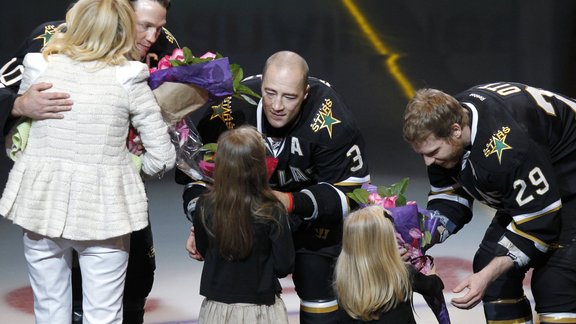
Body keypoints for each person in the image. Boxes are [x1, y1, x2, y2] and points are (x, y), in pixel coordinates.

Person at [0, 1, 178, 322]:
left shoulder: (38, 64)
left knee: (56, 309)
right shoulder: (124, 71)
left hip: (50, 205)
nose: (154, 36)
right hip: (106, 205)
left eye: (159, 26)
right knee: (104, 314)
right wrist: (19, 105)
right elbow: (162, 157)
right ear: (123, 18)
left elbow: (17, 142)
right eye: (144, 24)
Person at [180, 50, 371, 323]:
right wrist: (205, 221)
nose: (277, 105)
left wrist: (289, 202)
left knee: (318, 286)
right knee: (233, 291)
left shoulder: (333, 119)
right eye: (270, 93)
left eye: (289, 97)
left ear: (305, 93)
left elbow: (353, 193)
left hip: (311, 222)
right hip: (247, 221)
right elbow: (196, 176)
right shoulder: (230, 110)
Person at [403, 82, 576, 323]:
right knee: (492, 269)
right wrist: (416, 238)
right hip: (539, 179)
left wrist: (487, 275)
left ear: (455, 130)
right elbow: (451, 201)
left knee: (556, 282)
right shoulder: (447, 128)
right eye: (421, 154)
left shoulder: (509, 149)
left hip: (567, 182)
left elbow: (541, 224)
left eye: (432, 152)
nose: (428, 163)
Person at [192, 125, 295, 323]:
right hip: (261, 310)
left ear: (221, 164)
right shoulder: (272, 209)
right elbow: (284, 265)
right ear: (259, 166)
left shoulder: (205, 205)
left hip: (217, 309)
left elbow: (204, 249)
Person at [334, 205, 445, 323]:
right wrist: (434, 275)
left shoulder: (343, 279)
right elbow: (433, 286)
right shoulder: (401, 273)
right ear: (384, 241)